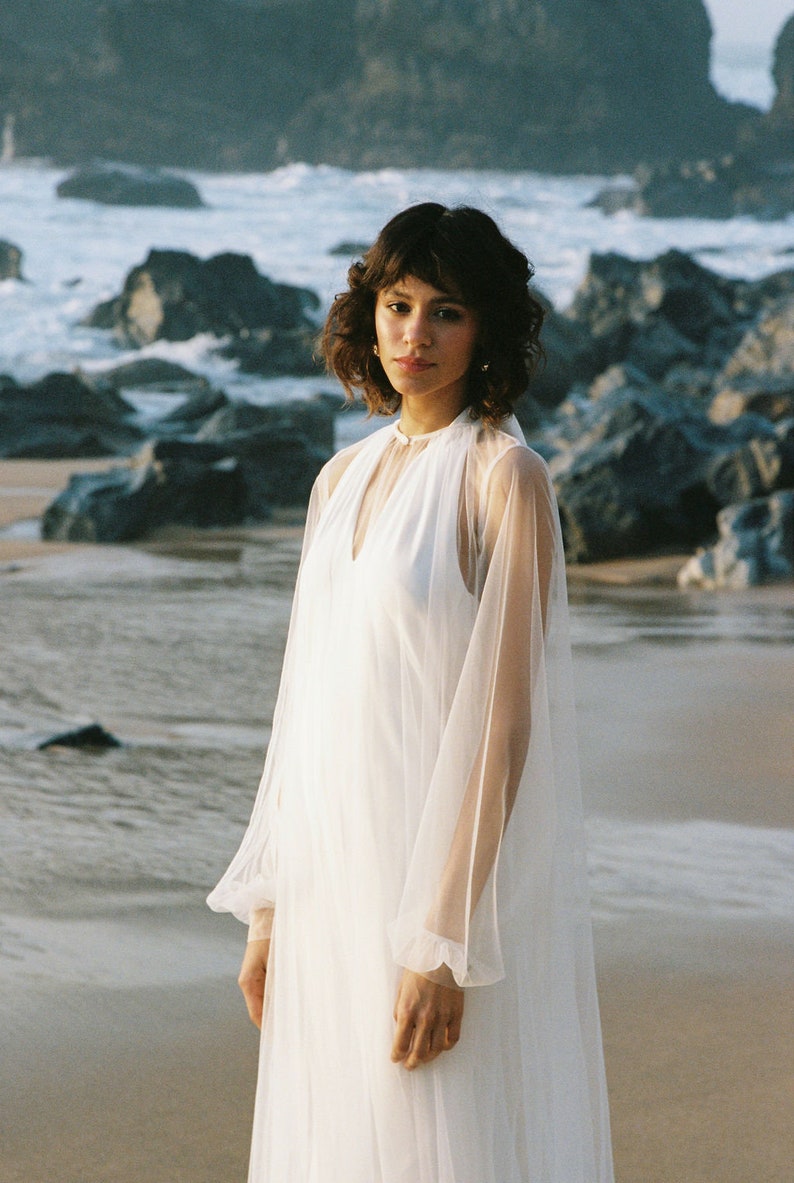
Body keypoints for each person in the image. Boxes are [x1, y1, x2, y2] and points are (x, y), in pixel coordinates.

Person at [208, 202, 614, 1183]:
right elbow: (301, 710)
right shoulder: (335, 480)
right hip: (329, 883)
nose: (413, 336)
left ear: (486, 333)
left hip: (429, 890)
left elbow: (505, 724)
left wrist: (440, 942)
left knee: (441, 1138)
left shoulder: (501, 476)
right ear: (368, 312)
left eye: (445, 312)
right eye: (396, 305)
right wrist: (270, 912)